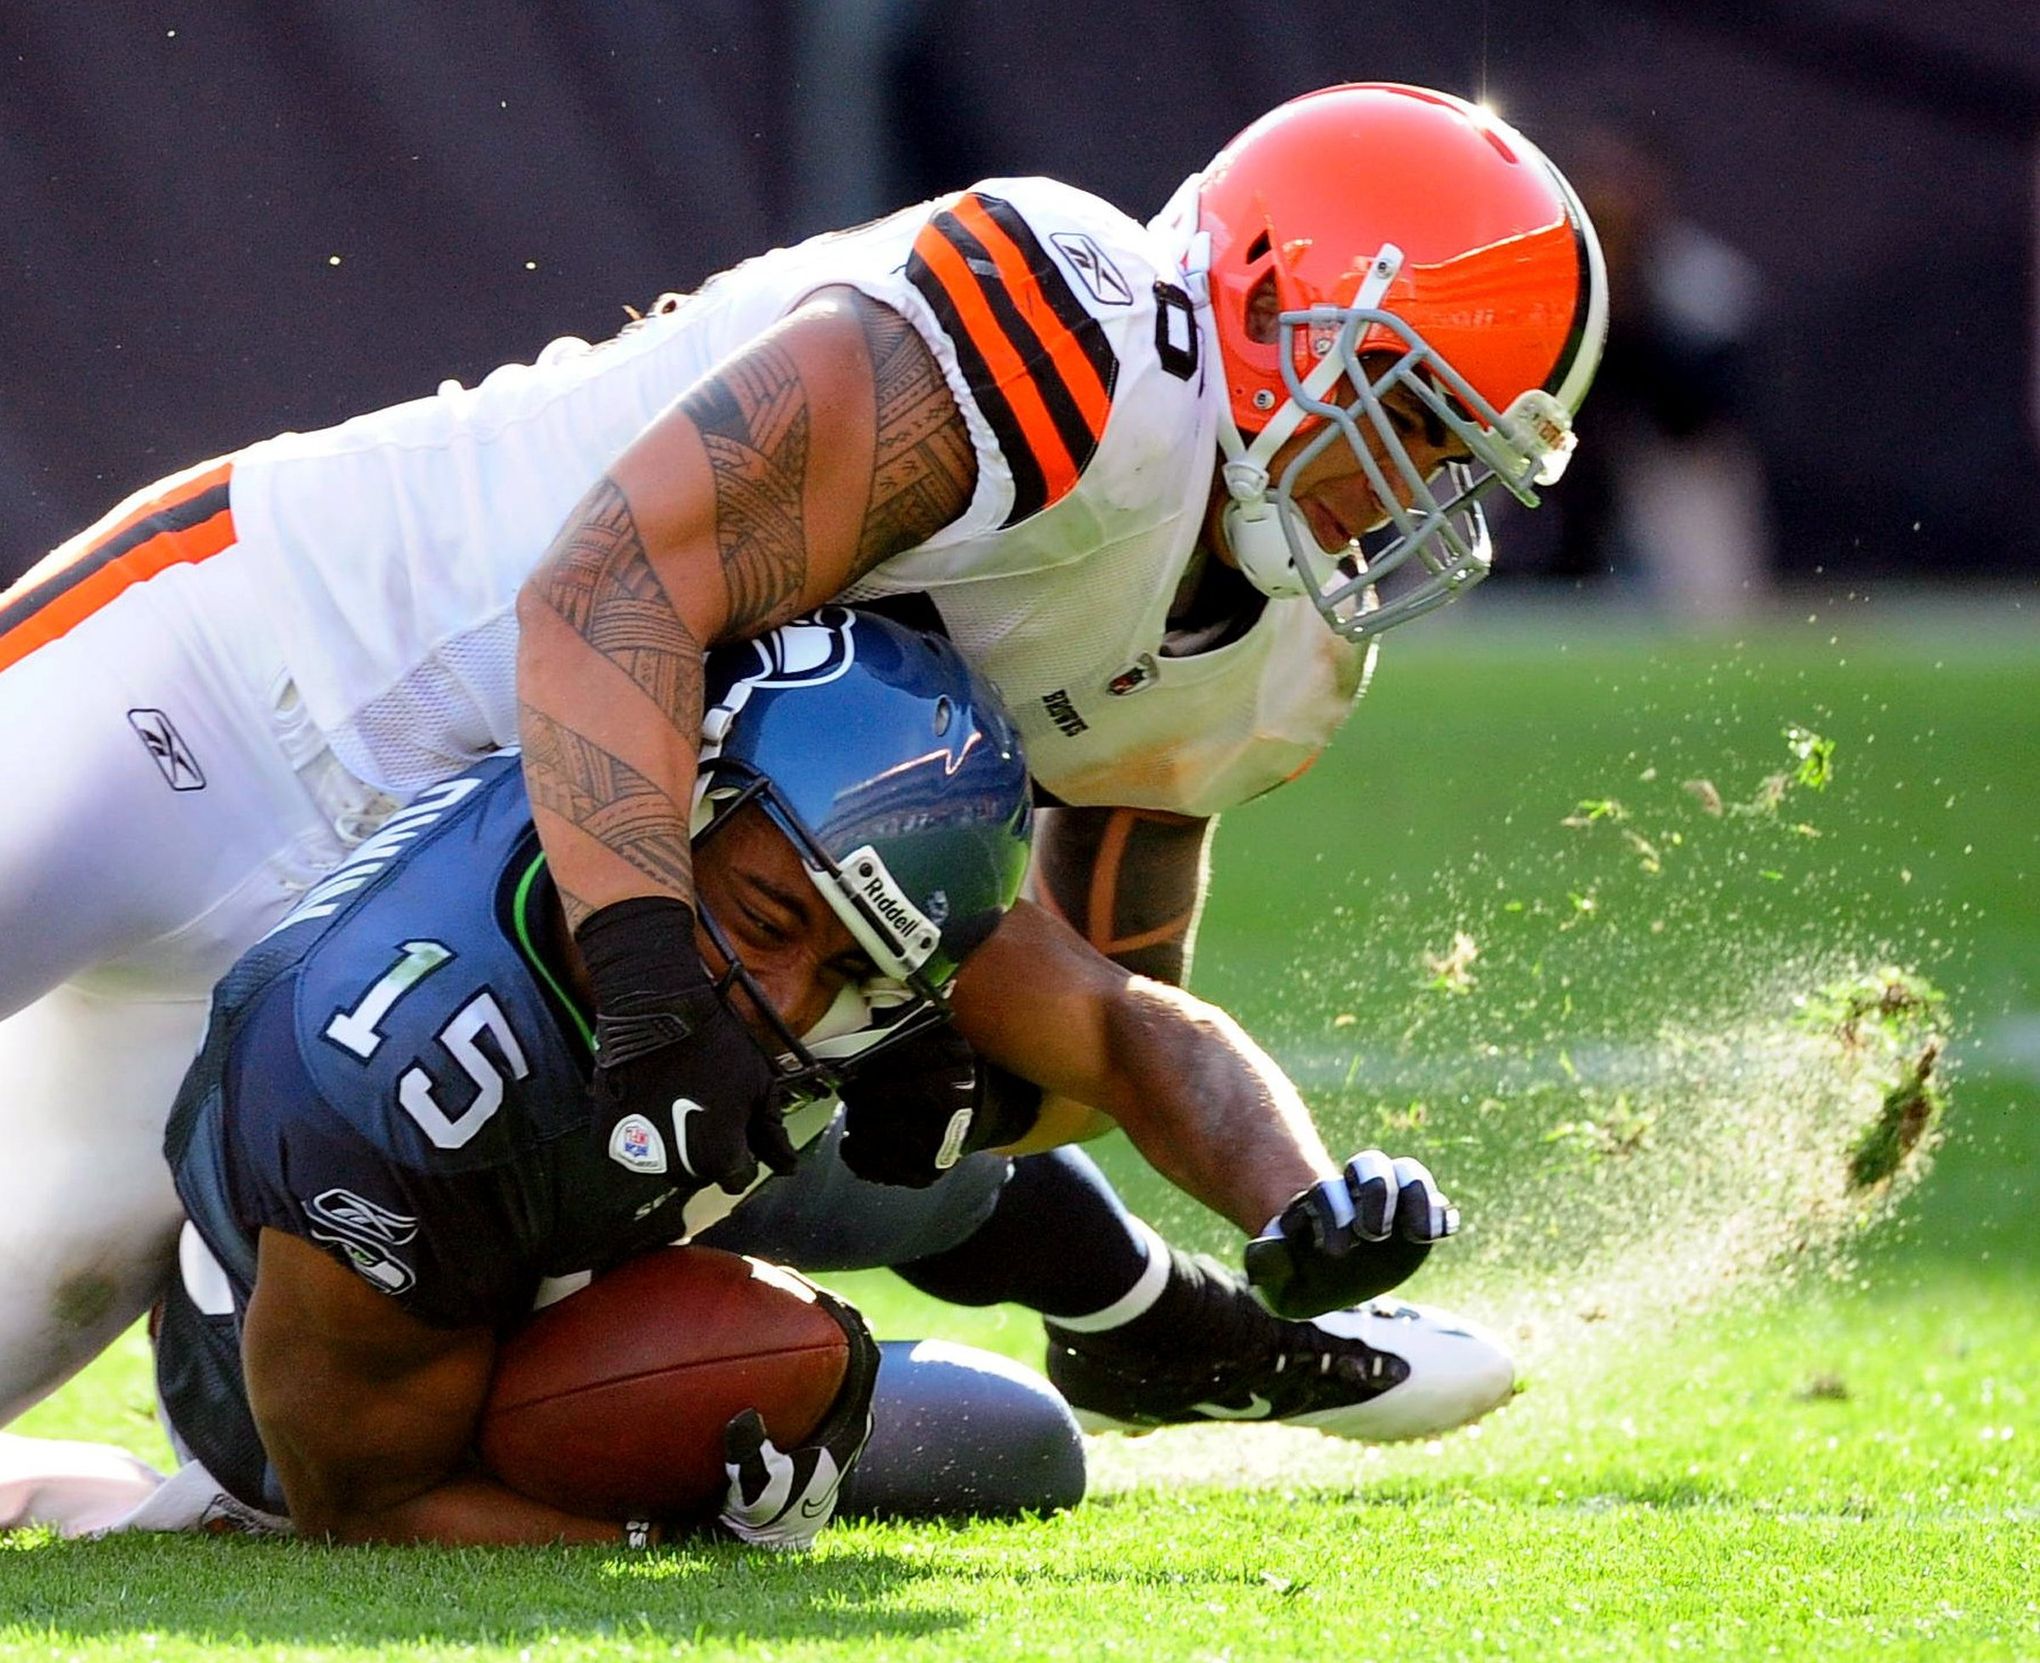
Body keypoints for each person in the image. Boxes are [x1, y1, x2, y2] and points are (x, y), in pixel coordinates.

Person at [0, 81, 1602, 1418]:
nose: (1399, 500)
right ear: (1265, 296)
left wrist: (952, 1083)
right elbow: (605, 592)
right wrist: (649, 986)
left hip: (441, 920)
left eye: (1453, 465)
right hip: (246, 672)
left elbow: (1097, 1021)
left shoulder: (1276, 657)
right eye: (1401, 416)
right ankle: (1126, 1310)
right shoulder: (1077, 336)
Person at [0, 611, 1487, 1544]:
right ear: (679, 804)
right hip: (343, 1333)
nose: (787, 998)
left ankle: (1182, 1334)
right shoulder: (390, 1074)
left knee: (940, 1118)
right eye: (772, 923)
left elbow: (1114, 1029)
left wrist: (1301, 1193)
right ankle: (145, 1502)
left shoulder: (816, 856)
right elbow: (365, 1502)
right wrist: (650, 1531)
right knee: (1011, 1450)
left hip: (603, 1166)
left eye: (854, 962)